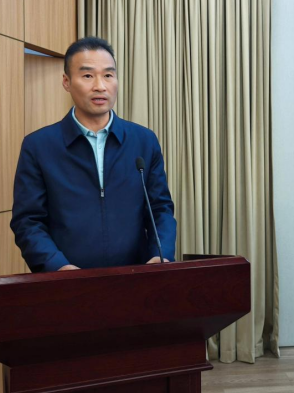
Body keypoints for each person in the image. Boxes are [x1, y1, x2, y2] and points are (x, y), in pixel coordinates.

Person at [11, 37, 177, 272]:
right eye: (88, 76)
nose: (100, 86)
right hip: (66, 282)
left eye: (108, 75)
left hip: (136, 279)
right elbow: (28, 221)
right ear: (67, 82)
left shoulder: (143, 141)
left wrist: (161, 255)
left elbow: (160, 209)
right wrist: (57, 266)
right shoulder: (38, 146)